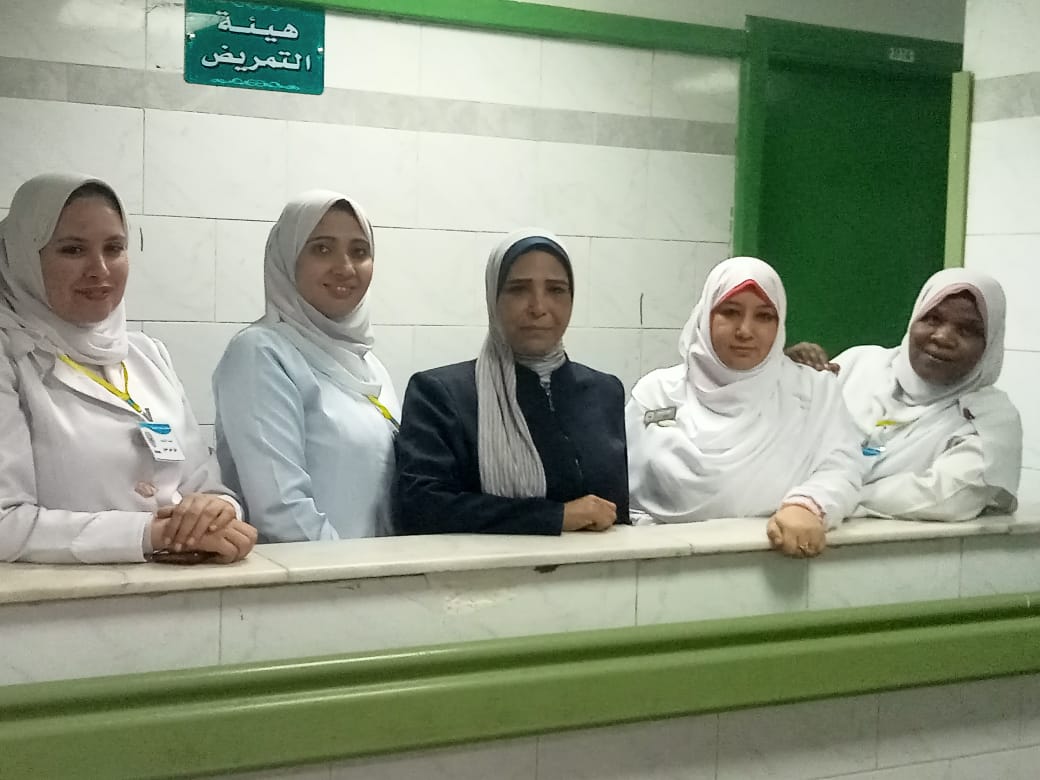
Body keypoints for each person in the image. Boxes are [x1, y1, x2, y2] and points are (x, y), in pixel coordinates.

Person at [0, 173, 256, 564]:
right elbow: (5, 523)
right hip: (65, 600)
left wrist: (218, 512)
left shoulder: (146, 354)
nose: (99, 269)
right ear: (22, 257)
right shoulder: (10, 356)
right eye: (73, 249)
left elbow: (206, 486)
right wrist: (152, 533)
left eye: (114, 248)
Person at [393, 229, 627, 535]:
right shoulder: (441, 395)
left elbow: (615, 512)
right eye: (518, 289)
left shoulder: (603, 393)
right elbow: (421, 508)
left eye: (556, 290)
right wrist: (554, 517)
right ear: (493, 298)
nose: (538, 307)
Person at [626, 256, 863, 557]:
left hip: (773, 568)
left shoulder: (813, 391)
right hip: (657, 564)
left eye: (764, 316)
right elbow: (617, 483)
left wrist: (808, 505)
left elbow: (844, 468)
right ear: (705, 315)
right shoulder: (656, 393)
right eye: (730, 312)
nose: (745, 331)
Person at [214, 191, 399, 542]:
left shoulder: (370, 366)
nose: (345, 267)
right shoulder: (260, 352)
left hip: (377, 571)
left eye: (359, 251)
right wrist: (347, 571)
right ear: (289, 257)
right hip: (311, 573)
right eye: (322, 249)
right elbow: (282, 512)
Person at [786, 268, 1021, 521]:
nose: (943, 337)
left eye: (966, 330)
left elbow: (950, 496)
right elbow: (782, 442)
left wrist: (826, 497)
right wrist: (786, 377)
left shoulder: (990, 421)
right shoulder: (859, 364)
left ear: (989, 345)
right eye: (932, 319)